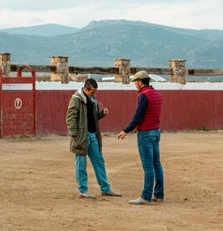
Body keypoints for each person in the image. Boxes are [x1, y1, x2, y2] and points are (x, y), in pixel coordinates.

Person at [66, 78, 122, 198]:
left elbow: (93, 117)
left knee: (99, 162)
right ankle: (83, 190)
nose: (94, 94)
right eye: (92, 92)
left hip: (93, 135)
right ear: (85, 89)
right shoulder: (75, 99)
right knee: (81, 164)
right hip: (82, 136)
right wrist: (76, 136)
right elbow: (70, 119)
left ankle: (105, 188)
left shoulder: (93, 99)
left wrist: (101, 114)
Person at [117, 70, 164, 205]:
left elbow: (138, 116)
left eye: (135, 82)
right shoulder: (157, 95)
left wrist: (126, 130)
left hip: (146, 133)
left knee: (148, 166)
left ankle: (146, 196)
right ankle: (159, 194)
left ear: (140, 82)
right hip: (156, 132)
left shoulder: (143, 96)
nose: (135, 85)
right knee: (157, 164)